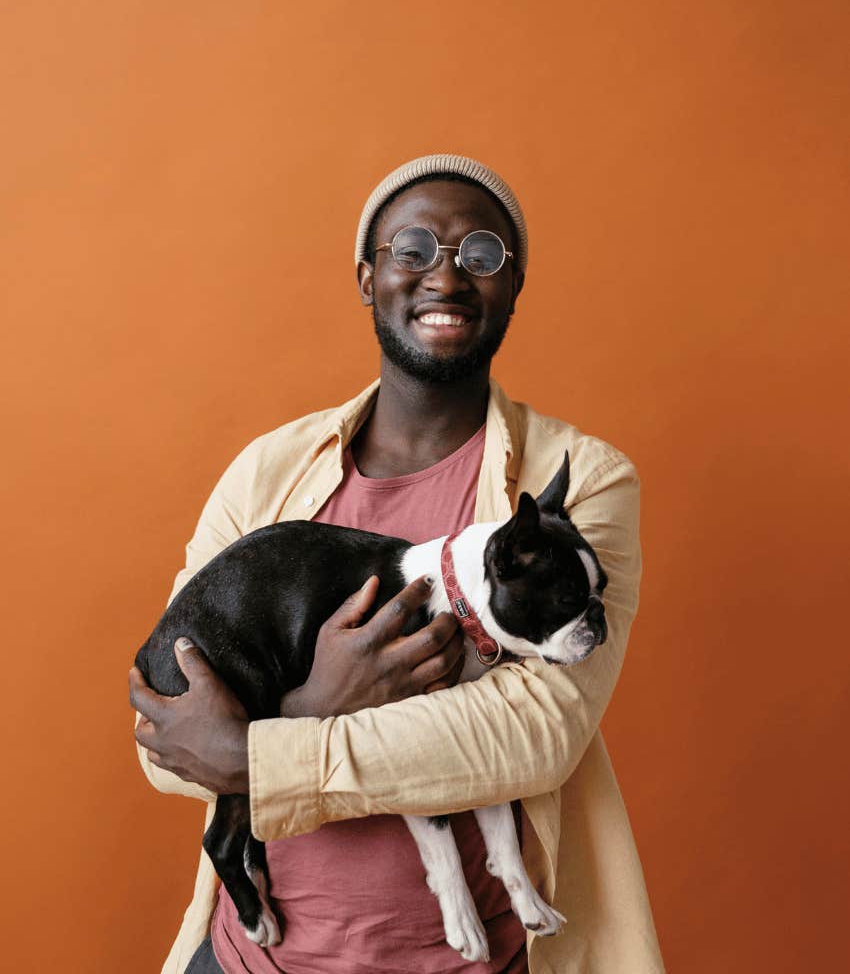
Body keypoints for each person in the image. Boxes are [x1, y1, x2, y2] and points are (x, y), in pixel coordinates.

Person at [130, 153, 665, 974]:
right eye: (413, 249)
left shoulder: (584, 480)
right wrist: (312, 706)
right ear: (366, 277)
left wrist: (260, 750)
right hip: (245, 960)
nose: (445, 276)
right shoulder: (265, 473)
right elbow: (164, 735)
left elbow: (534, 732)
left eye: (481, 254)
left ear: (514, 286)